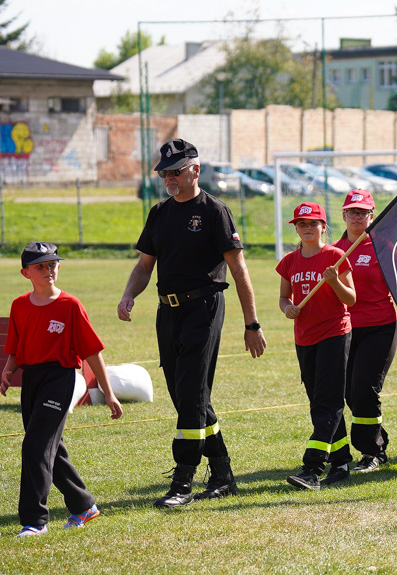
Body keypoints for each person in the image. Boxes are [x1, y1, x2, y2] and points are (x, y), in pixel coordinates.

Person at [117, 139, 267, 508]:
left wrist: (252, 323)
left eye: (176, 171)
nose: (169, 178)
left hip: (204, 308)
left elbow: (238, 268)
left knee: (191, 393)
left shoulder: (215, 211)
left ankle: (182, 482)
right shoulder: (158, 213)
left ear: (195, 170)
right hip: (166, 312)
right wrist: (128, 294)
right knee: (187, 394)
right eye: (164, 172)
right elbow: (144, 265)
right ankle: (222, 474)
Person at [3, 242, 123, 537]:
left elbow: (93, 352)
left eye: (52, 264)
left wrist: (108, 393)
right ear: (25, 272)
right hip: (31, 379)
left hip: (60, 379)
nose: (48, 270)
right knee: (49, 449)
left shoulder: (70, 305)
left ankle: (34, 522)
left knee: (34, 446)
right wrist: (8, 370)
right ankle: (83, 505)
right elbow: (16, 349)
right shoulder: (19, 305)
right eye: (40, 266)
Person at [278, 202, 356, 489]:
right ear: (296, 228)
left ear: (324, 226)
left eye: (313, 223)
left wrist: (334, 282)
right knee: (320, 402)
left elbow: (350, 299)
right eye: (301, 224)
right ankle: (342, 462)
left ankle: (312, 467)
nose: (307, 228)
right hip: (304, 337)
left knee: (328, 401)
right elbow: (284, 298)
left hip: (334, 334)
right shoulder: (289, 261)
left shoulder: (336, 257)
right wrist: (288, 308)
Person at [333, 190, 397, 473]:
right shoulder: (334, 251)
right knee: (349, 392)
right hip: (345, 330)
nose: (357, 217)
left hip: (380, 327)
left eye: (363, 212)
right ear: (344, 215)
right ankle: (378, 441)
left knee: (364, 390)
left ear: (372, 217)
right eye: (352, 212)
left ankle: (372, 452)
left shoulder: (384, 247)